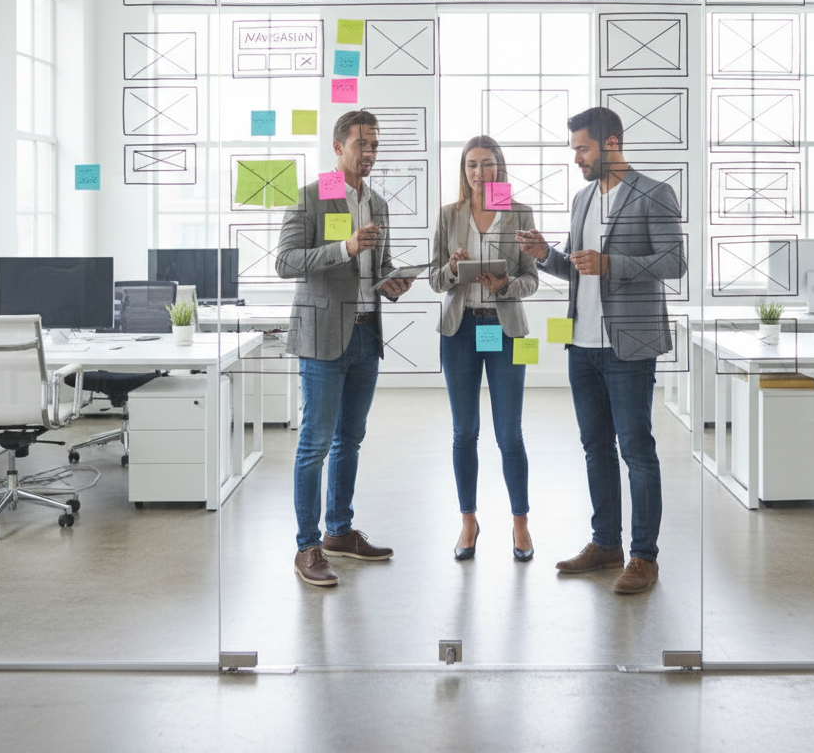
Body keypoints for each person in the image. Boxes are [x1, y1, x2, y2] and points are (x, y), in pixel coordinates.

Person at [517, 107, 686, 595]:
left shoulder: (654, 193)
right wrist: (545, 255)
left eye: (583, 149)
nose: (577, 159)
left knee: (637, 451)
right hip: (582, 343)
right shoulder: (582, 198)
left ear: (612, 143)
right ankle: (606, 543)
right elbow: (576, 267)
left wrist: (611, 263)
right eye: (574, 150)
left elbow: (675, 262)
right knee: (595, 448)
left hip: (628, 345)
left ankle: (644, 557)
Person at [276, 110, 413, 587]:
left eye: (374, 145)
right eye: (361, 144)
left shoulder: (378, 203)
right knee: (315, 444)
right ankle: (306, 546)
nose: (369, 152)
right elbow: (286, 262)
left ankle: (338, 531)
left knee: (350, 439)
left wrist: (392, 282)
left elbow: (380, 266)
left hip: (365, 335)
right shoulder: (311, 196)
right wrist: (345, 248)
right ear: (338, 147)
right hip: (321, 338)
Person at [430, 135, 539, 562]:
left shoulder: (519, 213)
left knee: (510, 433)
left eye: (487, 163)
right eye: (472, 165)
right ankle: (468, 521)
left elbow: (532, 279)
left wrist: (506, 284)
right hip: (459, 331)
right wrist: (452, 268)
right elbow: (435, 280)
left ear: (499, 166)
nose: (479, 172)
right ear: (464, 170)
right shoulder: (449, 215)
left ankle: (520, 523)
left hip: (505, 329)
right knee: (464, 432)